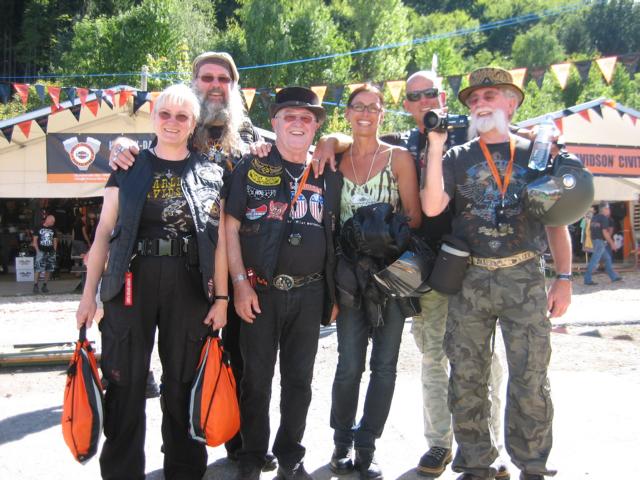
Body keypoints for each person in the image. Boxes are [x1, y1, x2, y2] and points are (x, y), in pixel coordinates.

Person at [315, 71, 507, 479]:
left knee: (480, 362)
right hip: (383, 275)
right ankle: (360, 443)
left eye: (431, 94)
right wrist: (327, 140)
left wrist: (380, 231)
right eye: (416, 96)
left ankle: (490, 449)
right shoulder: (364, 151)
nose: (424, 102)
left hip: (451, 269)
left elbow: (415, 215)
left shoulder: (467, 135)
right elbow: (350, 143)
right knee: (377, 363)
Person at [108, 51, 275, 467]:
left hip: (244, 270)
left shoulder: (251, 140)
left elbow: (300, 149)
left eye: (223, 79)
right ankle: (177, 449)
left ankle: (239, 443)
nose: (215, 85)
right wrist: (121, 144)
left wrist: (327, 142)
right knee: (185, 367)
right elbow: (143, 166)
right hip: (192, 273)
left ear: (234, 88)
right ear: (193, 83)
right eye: (206, 77)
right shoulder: (179, 126)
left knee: (239, 361)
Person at [422, 67, 572, 480]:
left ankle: (533, 461)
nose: (479, 103)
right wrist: (435, 147)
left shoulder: (537, 155)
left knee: (531, 374)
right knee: (467, 374)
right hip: (470, 278)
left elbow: (557, 221)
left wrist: (564, 278)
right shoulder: (456, 157)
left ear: (512, 102)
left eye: (489, 95)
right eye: (473, 99)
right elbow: (432, 206)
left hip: (524, 277)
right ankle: (475, 462)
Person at [76, 84, 228, 480]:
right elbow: (103, 232)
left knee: (183, 382)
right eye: (165, 114)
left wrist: (222, 298)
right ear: (154, 118)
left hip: (190, 285)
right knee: (124, 383)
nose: (172, 122)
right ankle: (123, 472)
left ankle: (184, 470)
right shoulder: (128, 167)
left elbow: (221, 243)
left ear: (193, 123)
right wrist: (89, 295)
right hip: (131, 282)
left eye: (182, 116)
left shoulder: (212, 173)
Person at [225, 87, 341, 480]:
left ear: (316, 127)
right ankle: (252, 455)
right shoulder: (252, 164)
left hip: (310, 292)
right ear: (274, 122)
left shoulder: (327, 170)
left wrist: (334, 293)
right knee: (255, 380)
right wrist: (239, 284)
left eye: (307, 118)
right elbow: (230, 226)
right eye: (289, 116)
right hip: (260, 291)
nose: (297, 123)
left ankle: (290, 454)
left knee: (299, 382)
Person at [328, 84, 421, 480]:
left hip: (392, 273)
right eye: (358, 106)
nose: (365, 113)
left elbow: (414, 216)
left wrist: (381, 231)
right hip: (349, 274)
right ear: (347, 113)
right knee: (349, 364)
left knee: (384, 365)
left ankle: (368, 445)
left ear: (383, 114)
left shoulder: (398, 158)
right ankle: (341, 442)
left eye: (373, 107)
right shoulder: (335, 159)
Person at [583, 202, 622, 285]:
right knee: (594, 260)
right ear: (605, 209)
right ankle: (587, 279)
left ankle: (613, 277)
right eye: (608, 208)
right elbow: (605, 233)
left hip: (595, 241)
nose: (609, 210)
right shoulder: (604, 218)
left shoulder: (594, 217)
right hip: (599, 242)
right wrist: (612, 243)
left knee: (607, 258)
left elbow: (591, 230)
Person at [32, 214, 57, 293]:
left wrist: (54, 250)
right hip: (41, 251)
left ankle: (45, 285)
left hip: (50, 251)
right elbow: (35, 240)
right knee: (38, 269)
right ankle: (35, 285)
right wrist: (37, 251)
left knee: (49, 269)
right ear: (48, 220)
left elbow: (55, 240)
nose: (53, 223)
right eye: (52, 222)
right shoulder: (38, 227)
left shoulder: (53, 229)